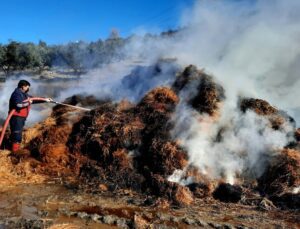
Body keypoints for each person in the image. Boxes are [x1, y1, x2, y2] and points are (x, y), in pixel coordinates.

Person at [9, 79, 53, 152]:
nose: (28, 89)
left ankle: (15, 148)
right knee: (17, 134)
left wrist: (45, 99)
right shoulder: (17, 94)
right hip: (16, 117)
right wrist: (28, 103)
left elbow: (34, 99)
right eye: (27, 87)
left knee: (18, 133)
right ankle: (14, 152)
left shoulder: (24, 94)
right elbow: (18, 105)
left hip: (21, 117)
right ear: (23, 86)